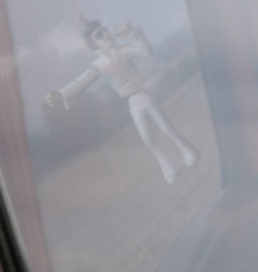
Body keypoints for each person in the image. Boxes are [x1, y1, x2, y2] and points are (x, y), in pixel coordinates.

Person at [44, 20, 200, 184]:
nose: (105, 34)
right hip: (132, 102)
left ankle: (188, 152)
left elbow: (145, 51)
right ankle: (171, 165)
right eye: (99, 34)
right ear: (93, 44)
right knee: (147, 138)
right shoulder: (99, 64)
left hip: (144, 95)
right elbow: (82, 81)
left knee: (165, 127)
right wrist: (61, 94)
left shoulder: (124, 51)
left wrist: (132, 34)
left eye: (104, 30)